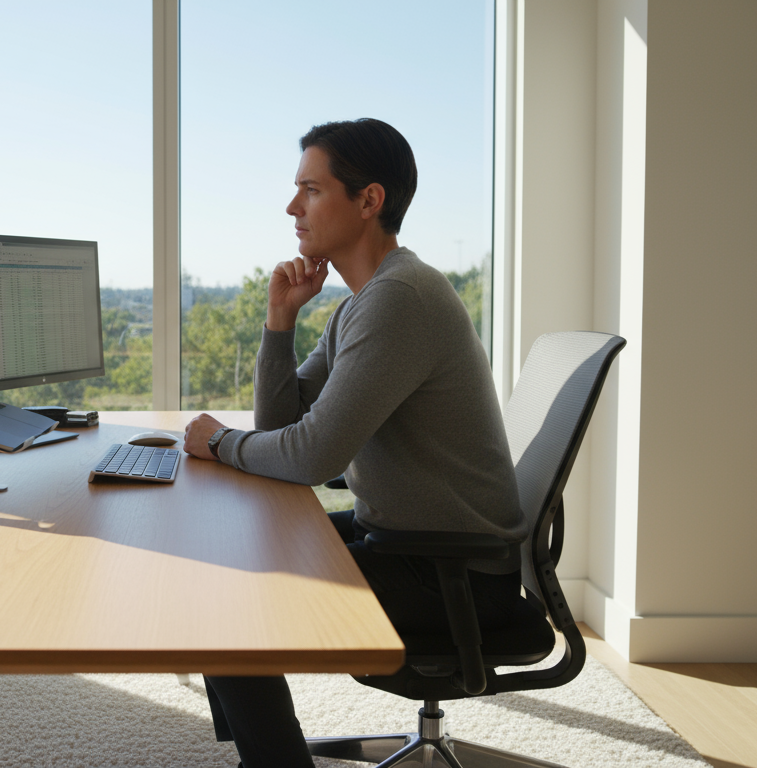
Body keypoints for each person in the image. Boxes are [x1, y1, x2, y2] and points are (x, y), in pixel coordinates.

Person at [181, 118, 530, 768]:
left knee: (224, 597)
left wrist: (217, 442)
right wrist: (279, 322)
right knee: (228, 551)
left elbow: (312, 457)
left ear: (369, 200)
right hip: (407, 539)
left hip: (450, 573)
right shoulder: (361, 304)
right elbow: (282, 424)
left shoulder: (400, 299)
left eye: (310, 190)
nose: (292, 208)